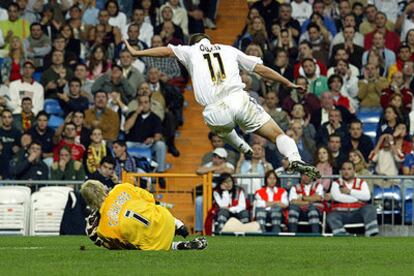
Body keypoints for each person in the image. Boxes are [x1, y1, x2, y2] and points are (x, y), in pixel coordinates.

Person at [123, 33, 320, 179]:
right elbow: (260, 69)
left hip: (214, 110)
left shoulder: (189, 51)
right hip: (238, 100)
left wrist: (137, 51)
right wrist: (287, 82)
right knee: (278, 135)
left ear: (193, 43)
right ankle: (294, 158)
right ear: (208, 39)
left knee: (223, 129)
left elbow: (165, 50)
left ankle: (242, 146)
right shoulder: (229, 49)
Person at [80, 180, 207, 250]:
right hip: (166, 219)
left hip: (156, 245)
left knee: (134, 243)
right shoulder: (121, 188)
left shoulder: (103, 229)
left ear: (89, 202)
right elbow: (150, 198)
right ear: (103, 187)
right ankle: (178, 224)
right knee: (151, 208)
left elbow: (122, 247)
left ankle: (176, 246)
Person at [327, 161, 379, 237]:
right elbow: (337, 197)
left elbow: (367, 196)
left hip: (357, 213)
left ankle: (371, 234)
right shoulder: (336, 183)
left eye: (349, 169)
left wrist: (349, 192)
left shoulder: (361, 183)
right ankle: (342, 235)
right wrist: (357, 198)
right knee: (331, 216)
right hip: (341, 213)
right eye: (344, 169)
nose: (346, 171)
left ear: (354, 171)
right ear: (341, 171)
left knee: (370, 208)